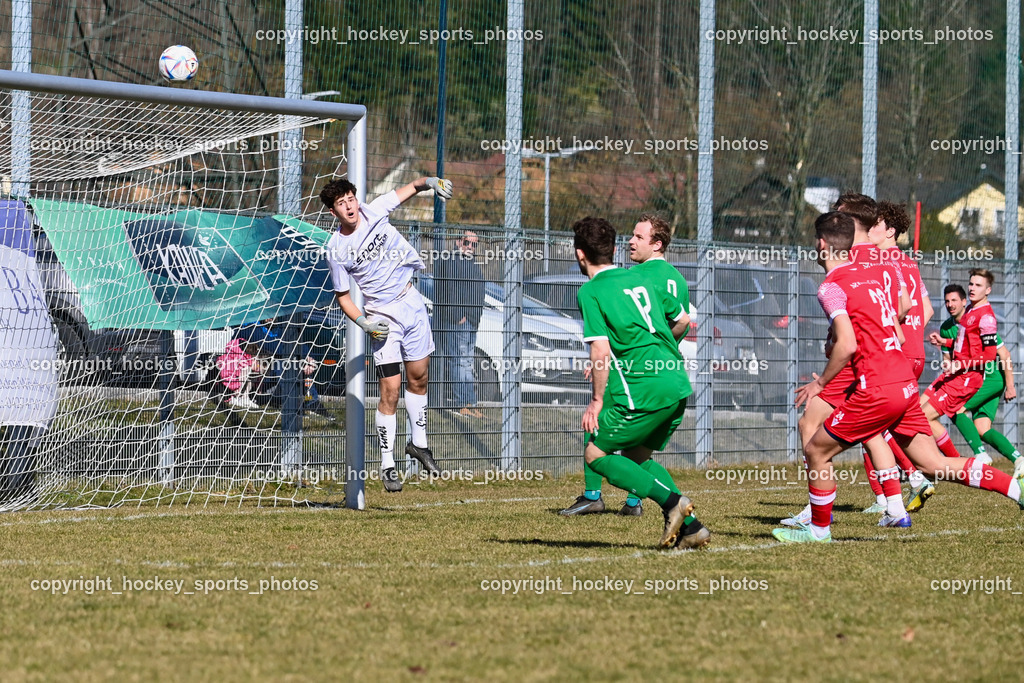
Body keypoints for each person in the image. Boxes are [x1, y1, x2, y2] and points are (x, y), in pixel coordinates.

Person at [773, 212, 1023, 544]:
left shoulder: (831, 287)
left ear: (821, 244)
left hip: (876, 388)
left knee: (817, 450)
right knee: (933, 464)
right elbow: (901, 324)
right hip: (904, 382)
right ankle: (1016, 489)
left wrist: (821, 382)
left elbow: (847, 344)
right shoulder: (876, 275)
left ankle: (818, 530)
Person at [571, 216, 710, 549]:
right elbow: (681, 320)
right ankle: (691, 528)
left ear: (579, 254)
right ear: (615, 247)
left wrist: (597, 400)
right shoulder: (644, 280)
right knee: (636, 455)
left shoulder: (592, 291)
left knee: (596, 454)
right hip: (676, 382)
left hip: (643, 387)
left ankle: (670, 504)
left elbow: (600, 349)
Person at [781, 194, 915, 528]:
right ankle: (896, 506)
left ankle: (818, 519)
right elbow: (901, 312)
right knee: (873, 433)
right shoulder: (883, 262)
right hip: (887, 367)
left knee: (815, 440)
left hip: (863, 366)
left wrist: (824, 375)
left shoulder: (840, 276)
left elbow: (849, 341)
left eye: (839, 216)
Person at [320, 176, 451, 492]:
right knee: (390, 389)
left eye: (350, 198)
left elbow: (411, 188)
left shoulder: (375, 209)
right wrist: (364, 323)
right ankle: (388, 462)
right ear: (333, 212)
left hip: (412, 303)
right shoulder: (336, 249)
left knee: (419, 378)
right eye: (341, 204)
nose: (349, 206)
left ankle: (419, 444)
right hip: (382, 317)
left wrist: (431, 182)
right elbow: (343, 297)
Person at [930, 283, 1021, 470]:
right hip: (972, 379)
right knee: (982, 429)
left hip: (990, 377)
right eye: (947, 301)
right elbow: (949, 358)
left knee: (956, 408)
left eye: (954, 300)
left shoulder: (979, 320)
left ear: (964, 302)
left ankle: (979, 455)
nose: (950, 304)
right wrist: (946, 364)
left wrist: (1010, 385)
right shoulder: (946, 327)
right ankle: (1019, 461)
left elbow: (1003, 354)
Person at [920, 269, 998, 464]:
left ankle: (958, 463)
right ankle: (960, 461)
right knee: (918, 412)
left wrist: (960, 364)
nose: (972, 288)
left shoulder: (986, 317)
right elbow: (965, 345)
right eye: (971, 284)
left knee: (924, 417)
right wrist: (944, 341)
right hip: (957, 374)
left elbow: (989, 355)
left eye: (978, 285)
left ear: (987, 290)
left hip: (967, 378)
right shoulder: (971, 310)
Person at [432, 230, 486, 418]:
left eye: (474, 244)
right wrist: (457, 316)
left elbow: (479, 292)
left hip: (471, 321)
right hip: (459, 322)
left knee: (467, 362)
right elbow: (450, 289)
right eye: (466, 242)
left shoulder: (472, 264)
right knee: (459, 361)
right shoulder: (452, 261)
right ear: (458, 242)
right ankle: (462, 403)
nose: (470, 247)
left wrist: (475, 317)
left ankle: (471, 403)